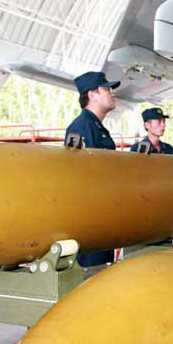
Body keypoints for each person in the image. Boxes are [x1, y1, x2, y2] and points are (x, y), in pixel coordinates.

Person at [66, 71, 121, 266]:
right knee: (92, 271)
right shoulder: (82, 127)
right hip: (91, 217)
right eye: (106, 89)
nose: (112, 93)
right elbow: (82, 175)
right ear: (92, 95)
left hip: (102, 212)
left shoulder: (95, 126)